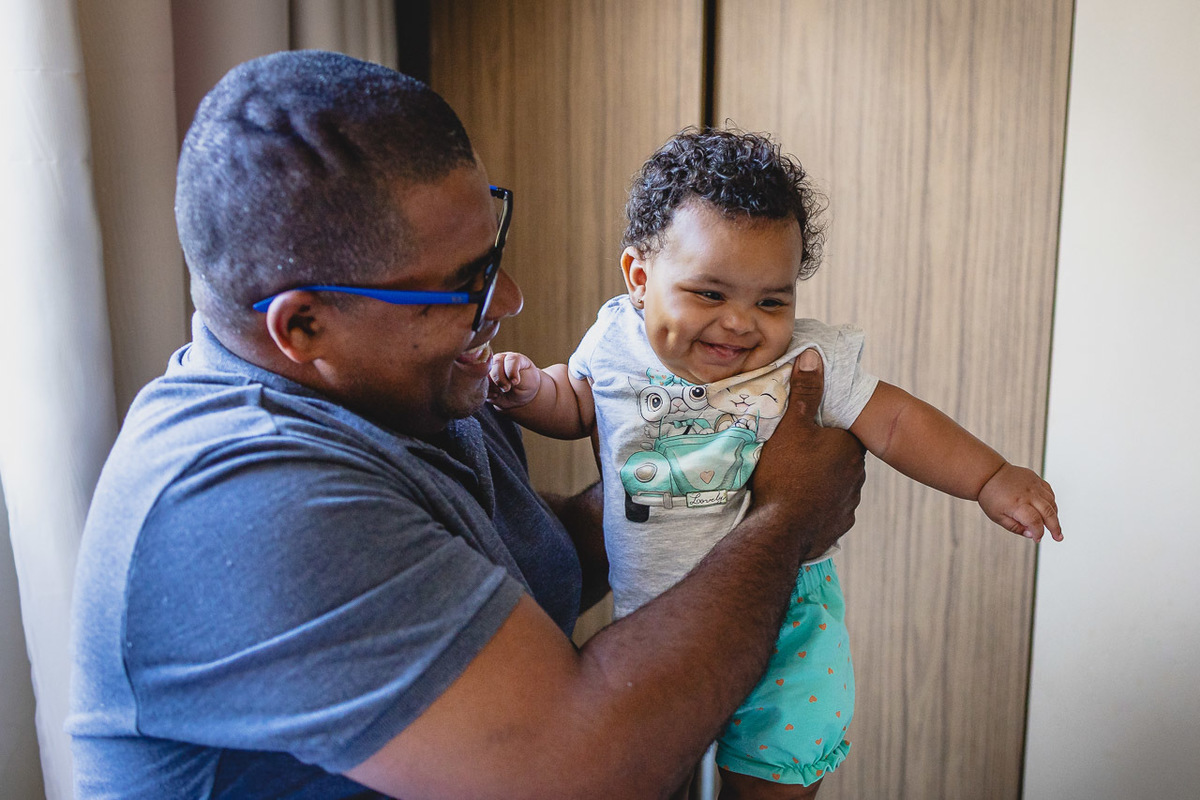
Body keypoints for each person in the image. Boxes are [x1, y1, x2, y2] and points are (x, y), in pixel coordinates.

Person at [66, 51, 867, 799]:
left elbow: (504, 558)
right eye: (465, 283)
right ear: (303, 327)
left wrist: (714, 470)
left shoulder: (408, 390)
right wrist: (784, 518)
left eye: (492, 251)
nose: (509, 298)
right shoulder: (239, 505)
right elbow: (583, 770)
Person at [487, 128, 1063, 798]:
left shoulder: (802, 363)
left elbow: (899, 421)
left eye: (771, 301)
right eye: (710, 294)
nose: (740, 323)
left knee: (774, 777)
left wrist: (990, 478)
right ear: (640, 279)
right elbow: (576, 404)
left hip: (789, 621)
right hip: (656, 622)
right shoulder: (614, 340)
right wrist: (529, 392)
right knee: (650, 767)